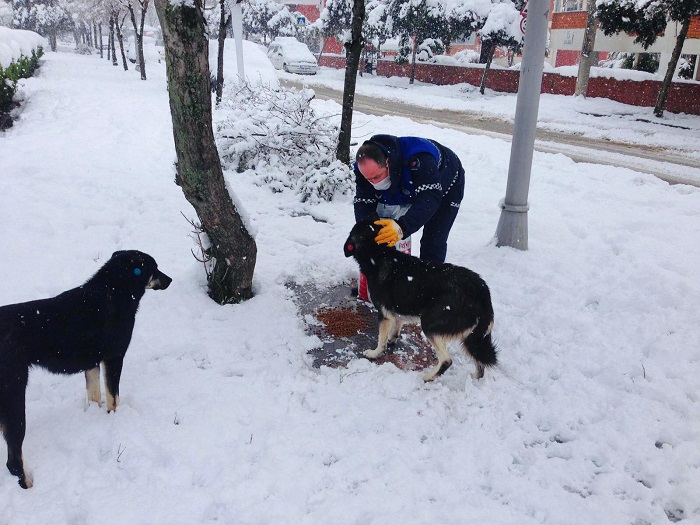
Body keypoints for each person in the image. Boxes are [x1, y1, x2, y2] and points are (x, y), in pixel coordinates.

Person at [353, 134, 465, 263]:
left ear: (388, 162)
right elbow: (363, 202)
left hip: (446, 184)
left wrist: (402, 227)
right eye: (369, 179)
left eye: (377, 177)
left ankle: (430, 280)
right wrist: (367, 231)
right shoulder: (364, 169)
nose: (373, 183)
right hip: (403, 182)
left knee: (433, 240)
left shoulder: (420, 159)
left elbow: (429, 198)